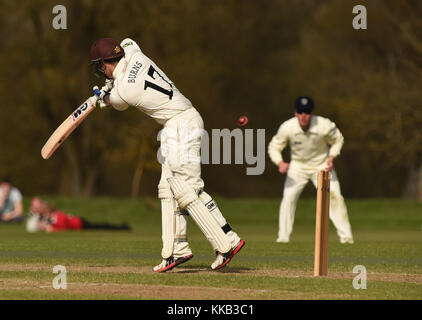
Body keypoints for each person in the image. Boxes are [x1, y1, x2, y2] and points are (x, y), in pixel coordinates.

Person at [89, 38, 245, 272]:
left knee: (187, 190)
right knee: (168, 188)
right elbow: (128, 42)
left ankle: (226, 242)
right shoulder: (133, 52)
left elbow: (116, 102)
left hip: (180, 124)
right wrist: (111, 87)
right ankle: (176, 250)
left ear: (104, 64)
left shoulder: (124, 91)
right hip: (180, 122)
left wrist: (103, 97)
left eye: (100, 66)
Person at [267, 96, 354, 244]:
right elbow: (274, 147)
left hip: (322, 164)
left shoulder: (324, 125)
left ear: (312, 112)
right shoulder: (288, 127)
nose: (303, 116)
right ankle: (283, 238)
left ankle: (346, 238)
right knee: (288, 198)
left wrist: (332, 158)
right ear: (295, 113)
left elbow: (338, 139)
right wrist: (280, 162)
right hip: (297, 167)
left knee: (335, 197)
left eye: (306, 112)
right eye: (300, 112)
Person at [27, 197, 130, 233]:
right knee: (99, 225)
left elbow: (63, 228)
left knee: (100, 226)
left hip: (79, 223)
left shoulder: (58, 217)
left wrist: (49, 228)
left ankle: (122, 227)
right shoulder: (53, 217)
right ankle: (121, 227)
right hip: (77, 222)